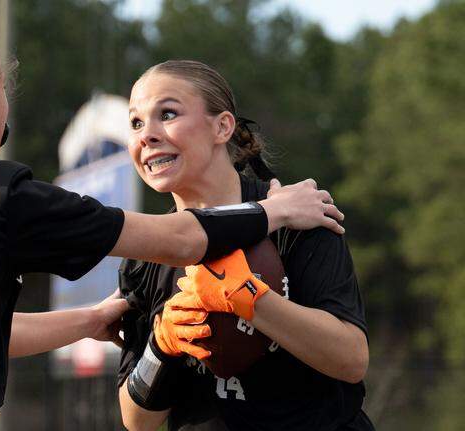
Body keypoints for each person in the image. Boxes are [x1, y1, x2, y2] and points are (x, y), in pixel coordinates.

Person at [0, 3, 345, 430]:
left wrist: (88, 320)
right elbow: (178, 241)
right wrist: (273, 211)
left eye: (167, 114)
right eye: (5, 90)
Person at [118, 60, 373, 431]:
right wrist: (161, 345)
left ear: (222, 127)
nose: (147, 135)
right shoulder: (146, 256)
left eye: (168, 114)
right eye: (136, 123)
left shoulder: (298, 217)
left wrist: (250, 298)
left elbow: (351, 359)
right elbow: (136, 420)